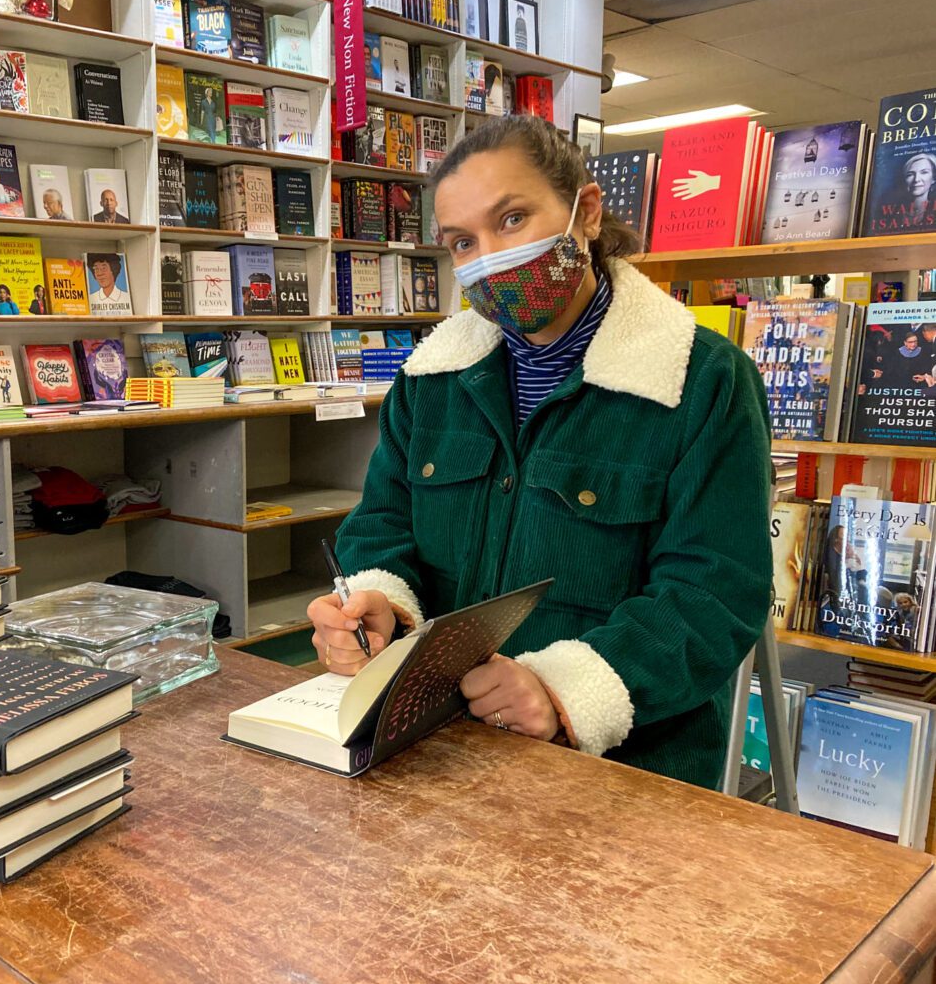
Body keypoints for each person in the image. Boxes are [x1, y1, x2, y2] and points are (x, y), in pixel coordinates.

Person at [306, 115, 774, 789]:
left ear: (585, 212)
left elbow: (712, 595)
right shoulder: (430, 380)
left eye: (513, 218)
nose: (489, 255)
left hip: (628, 770)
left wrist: (560, 692)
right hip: (436, 748)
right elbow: (382, 524)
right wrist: (378, 603)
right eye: (462, 242)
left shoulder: (700, 381)